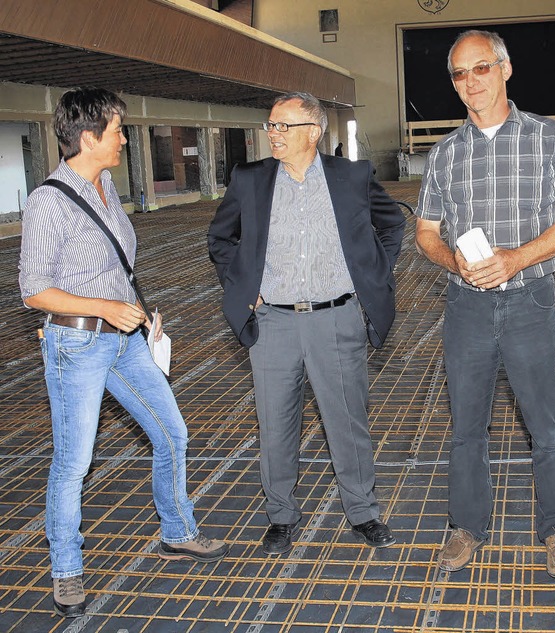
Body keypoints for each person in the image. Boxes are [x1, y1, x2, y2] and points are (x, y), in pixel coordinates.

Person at [18, 87, 229, 619]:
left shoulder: (108, 185)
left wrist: (135, 309)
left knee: (171, 432)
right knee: (74, 462)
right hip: (77, 344)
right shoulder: (48, 200)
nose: (124, 138)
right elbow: (33, 290)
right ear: (88, 137)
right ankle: (66, 571)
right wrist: (105, 309)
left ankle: (177, 533)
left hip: (125, 339)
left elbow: (113, 267)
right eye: (117, 130)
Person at [415, 30, 555, 578]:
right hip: (466, 307)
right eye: (460, 74)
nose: (471, 81)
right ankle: (466, 527)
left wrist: (516, 259)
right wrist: (456, 262)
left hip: (530, 301)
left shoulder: (549, 138)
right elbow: (425, 234)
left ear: (506, 69)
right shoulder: (445, 153)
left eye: (482, 68)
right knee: (466, 426)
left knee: (547, 424)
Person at [208, 92, 406, 555]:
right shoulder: (251, 179)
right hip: (273, 322)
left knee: (346, 421)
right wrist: (241, 286)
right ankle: (281, 515)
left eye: (283, 126)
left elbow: (392, 224)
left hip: (337, 319)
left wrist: (372, 276)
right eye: (271, 126)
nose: (272, 134)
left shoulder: (351, 177)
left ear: (313, 132)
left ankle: (363, 511)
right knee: (274, 424)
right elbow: (220, 237)